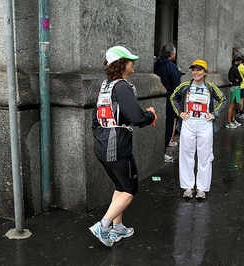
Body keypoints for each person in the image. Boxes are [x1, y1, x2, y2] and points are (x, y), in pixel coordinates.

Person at [89, 46, 157, 246]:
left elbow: (96, 118)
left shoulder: (106, 85)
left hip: (102, 145)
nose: (133, 63)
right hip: (117, 147)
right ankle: (103, 226)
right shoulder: (122, 86)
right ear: (121, 64)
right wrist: (151, 115)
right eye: (129, 60)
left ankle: (117, 228)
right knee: (130, 188)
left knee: (119, 185)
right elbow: (136, 117)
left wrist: (100, 135)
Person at [170, 59, 227, 199]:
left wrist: (214, 114)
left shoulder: (210, 87)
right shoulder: (185, 86)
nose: (196, 72)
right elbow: (173, 97)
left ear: (205, 72)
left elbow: (223, 99)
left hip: (204, 124)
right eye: (194, 69)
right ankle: (188, 187)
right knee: (186, 156)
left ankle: (202, 188)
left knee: (205, 157)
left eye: (199, 69)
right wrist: (180, 113)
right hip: (188, 124)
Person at [154, 43, 181, 162]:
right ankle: (163, 152)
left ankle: (158, 151)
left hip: (158, 97)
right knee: (169, 125)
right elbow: (176, 86)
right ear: (171, 54)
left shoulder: (156, 65)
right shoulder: (172, 67)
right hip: (170, 97)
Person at [226, 55, 243, 128]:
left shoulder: (234, 68)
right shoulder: (234, 69)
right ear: (238, 61)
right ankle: (229, 122)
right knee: (232, 105)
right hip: (235, 87)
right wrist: (237, 79)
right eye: (240, 61)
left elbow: (239, 79)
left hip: (235, 86)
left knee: (234, 104)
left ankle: (233, 120)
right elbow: (240, 78)